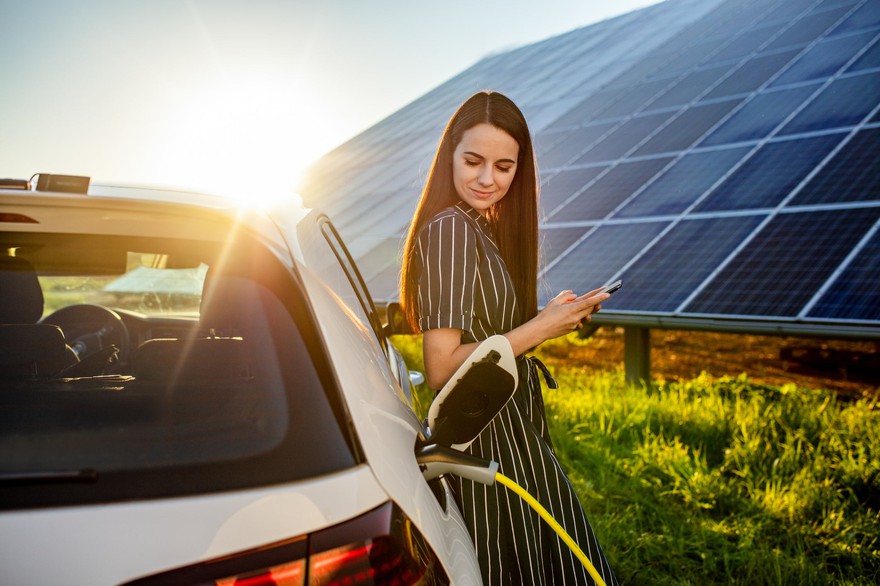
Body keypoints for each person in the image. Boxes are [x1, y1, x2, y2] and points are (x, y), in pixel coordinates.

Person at [399, 90, 619, 585]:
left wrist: (551, 318)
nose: (486, 178)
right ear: (448, 157)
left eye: (504, 166)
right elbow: (440, 365)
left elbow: (492, 337)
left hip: (509, 424)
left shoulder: (480, 228)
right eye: (473, 161)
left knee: (540, 559)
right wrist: (540, 328)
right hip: (488, 434)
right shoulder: (450, 229)